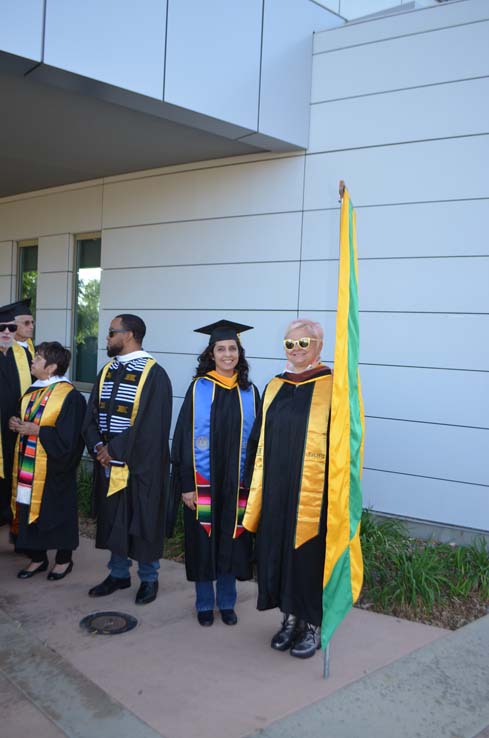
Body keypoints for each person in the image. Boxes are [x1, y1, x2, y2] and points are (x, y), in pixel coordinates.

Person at [243, 318, 332, 659]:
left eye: (303, 343)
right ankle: (289, 619)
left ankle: (311, 624)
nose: (296, 350)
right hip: (277, 487)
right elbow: (258, 436)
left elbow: (344, 444)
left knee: (307, 556)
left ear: (319, 346)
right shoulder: (275, 385)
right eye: (289, 343)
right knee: (278, 551)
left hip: (313, 492)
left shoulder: (332, 387)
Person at [170, 320, 259, 626]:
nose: (227, 354)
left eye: (232, 348)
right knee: (203, 541)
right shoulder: (199, 389)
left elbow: (259, 442)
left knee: (230, 541)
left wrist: (254, 484)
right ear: (211, 354)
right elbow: (182, 439)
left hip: (237, 485)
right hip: (203, 482)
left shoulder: (250, 391)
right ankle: (205, 603)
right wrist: (186, 485)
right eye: (221, 349)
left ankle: (228, 602)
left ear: (239, 353)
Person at [83, 314, 172, 605]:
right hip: (108, 462)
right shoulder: (107, 370)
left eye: (111, 332)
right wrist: (98, 446)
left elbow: (152, 424)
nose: (107, 338)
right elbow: (91, 414)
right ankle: (119, 574)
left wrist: (116, 449)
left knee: (141, 519)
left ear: (130, 335)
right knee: (114, 517)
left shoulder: (154, 373)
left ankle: (149, 578)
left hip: (140, 465)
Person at [9, 342, 86, 579]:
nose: (32, 360)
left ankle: (63, 560)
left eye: (38, 357)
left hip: (54, 468)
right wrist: (15, 423)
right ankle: (38, 558)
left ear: (51, 367)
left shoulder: (69, 396)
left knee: (57, 512)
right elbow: (27, 420)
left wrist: (38, 430)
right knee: (27, 507)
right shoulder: (33, 390)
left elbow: (71, 439)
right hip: (28, 465)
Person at [0, 304, 32, 526]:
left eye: (12, 328)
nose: (7, 333)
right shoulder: (9, 351)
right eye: (3, 327)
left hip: (17, 426)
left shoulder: (24, 351)